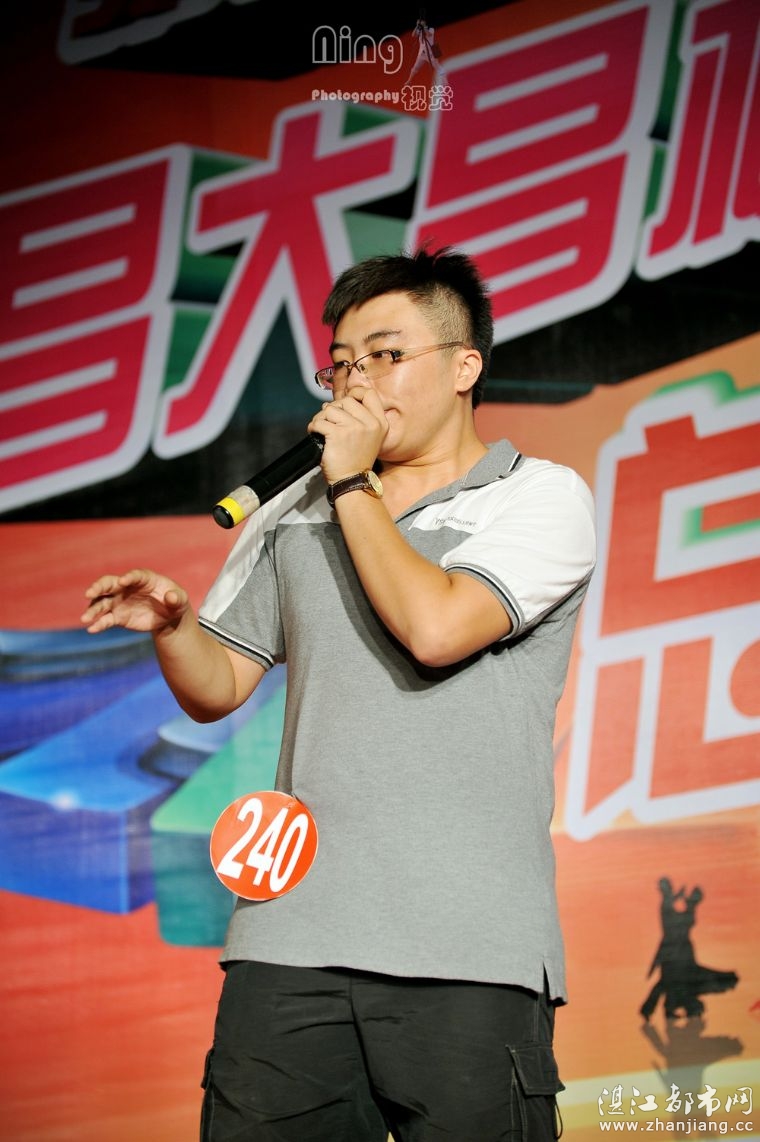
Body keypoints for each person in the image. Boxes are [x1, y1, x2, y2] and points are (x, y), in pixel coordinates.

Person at [81, 245, 597, 1141]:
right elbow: (219, 685)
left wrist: (351, 483)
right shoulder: (294, 512)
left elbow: (436, 629)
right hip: (291, 936)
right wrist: (175, 625)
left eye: (386, 355)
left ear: (465, 366)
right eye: (343, 363)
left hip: (468, 945)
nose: (358, 382)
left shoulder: (536, 497)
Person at [401, 15, 448, 90]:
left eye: (422, 21)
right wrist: (417, 26)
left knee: (438, 67)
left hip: (431, 53)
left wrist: (424, 26)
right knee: (415, 68)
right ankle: (409, 81)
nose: (421, 22)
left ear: (425, 22)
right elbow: (413, 35)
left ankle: (445, 81)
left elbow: (428, 34)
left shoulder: (431, 29)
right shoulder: (419, 30)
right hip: (422, 54)